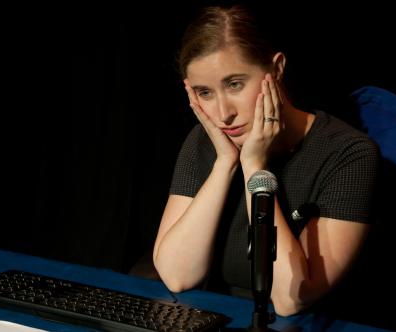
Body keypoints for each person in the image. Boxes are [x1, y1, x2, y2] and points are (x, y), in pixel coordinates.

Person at [152, 4, 380, 318]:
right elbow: (178, 276)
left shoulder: (348, 153)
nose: (223, 113)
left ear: (277, 68)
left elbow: (291, 299)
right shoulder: (204, 142)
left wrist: (254, 167)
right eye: (205, 92)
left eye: (234, 84)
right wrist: (224, 163)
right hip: (218, 318)